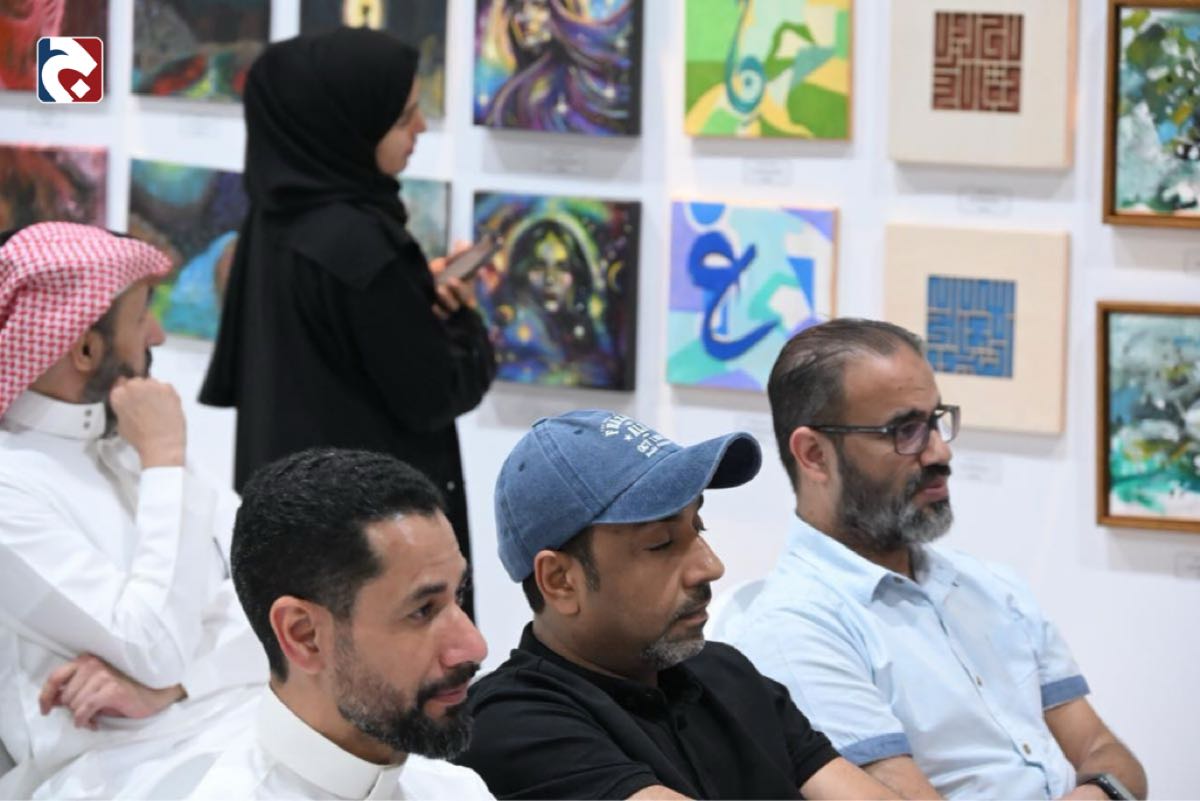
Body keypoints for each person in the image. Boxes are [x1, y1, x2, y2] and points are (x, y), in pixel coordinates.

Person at [732, 318, 1147, 800]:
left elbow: (1105, 750)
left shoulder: (990, 585)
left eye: (936, 420)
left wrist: (1098, 791)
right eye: (904, 430)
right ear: (814, 455)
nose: (939, 451)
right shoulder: (794, 628)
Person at [199, 27, 495, 618]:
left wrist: (410, 298)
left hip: (293, 519)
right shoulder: (364, 245)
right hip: (377, 541)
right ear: (349, 125)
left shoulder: (276, 219)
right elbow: (435, 393)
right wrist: (461, 322)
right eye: (404, 116)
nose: (421, 128)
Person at [454, 409, 897, 800]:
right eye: (661, 543)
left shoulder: (727, 674)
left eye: (698, 526)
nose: (711, 566)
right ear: (560, 581)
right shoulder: (510, 722)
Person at [0, 222, 266, 798]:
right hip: (110, 775)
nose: (159, 334)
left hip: (237, 723)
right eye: (142, 316)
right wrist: (165, 461)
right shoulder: (9, 489)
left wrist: (174, 686)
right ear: (85, 348)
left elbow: (283, 598)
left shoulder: (128, 434)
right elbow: (156, 647)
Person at [190, 448, 492, 800]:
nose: (474, 647)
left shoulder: (458, 790)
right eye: (422, 610)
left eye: (460, 594)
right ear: (304, 636)